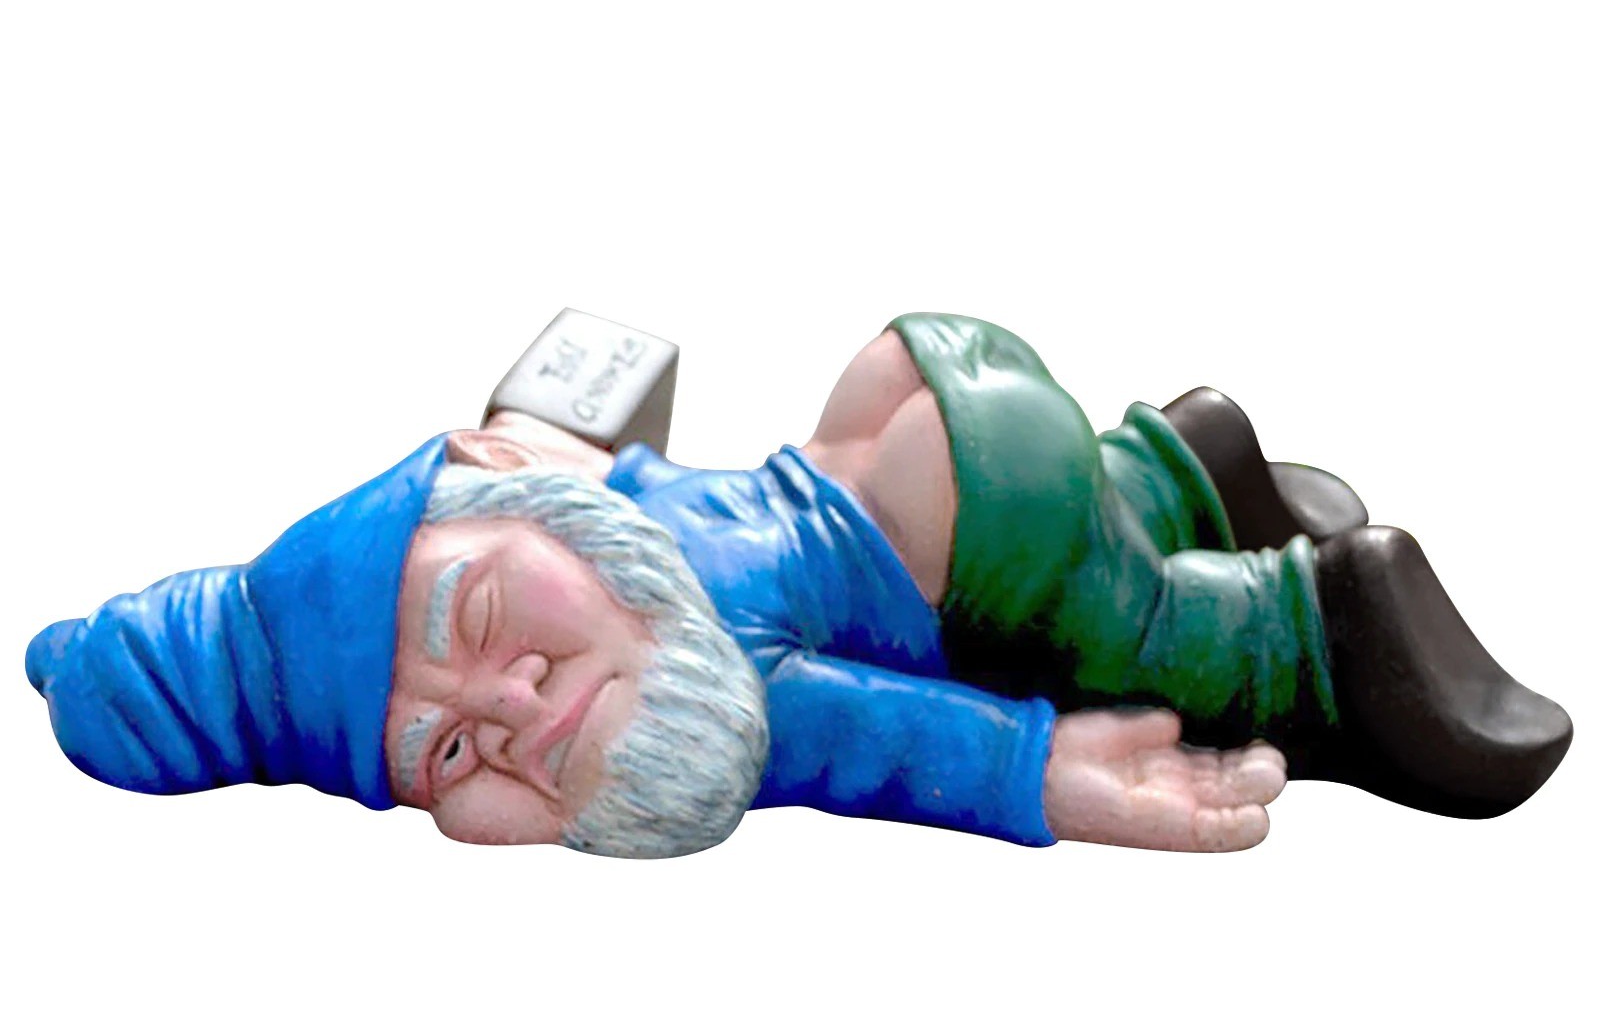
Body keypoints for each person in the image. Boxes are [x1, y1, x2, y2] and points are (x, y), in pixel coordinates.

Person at [25, 314, 1572, 857]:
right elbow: (566, 390)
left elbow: (867, 740)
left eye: (478, 623)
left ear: (500, 484)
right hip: (917, 386)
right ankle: (1184, 471)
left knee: (1110, 623)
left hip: (983, 506)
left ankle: (1315, 630)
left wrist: (1044, 772)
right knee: (1043, 501)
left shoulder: (706, 652)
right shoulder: (587, 514)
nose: (511, 706)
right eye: (448, 763)